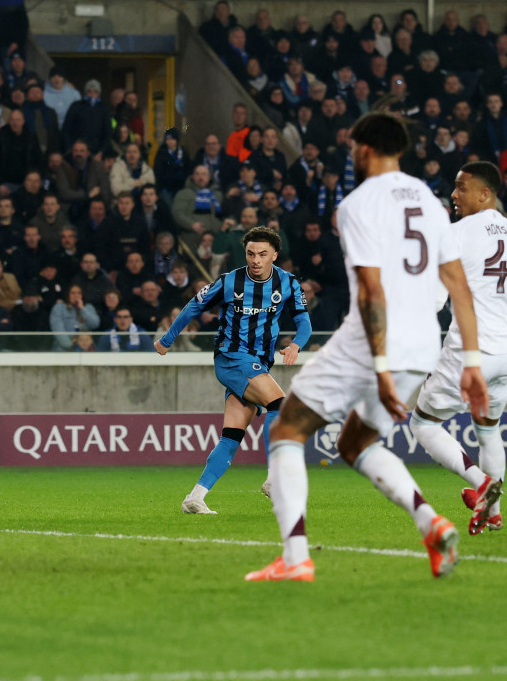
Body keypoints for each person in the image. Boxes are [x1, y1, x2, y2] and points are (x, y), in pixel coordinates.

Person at [247, 113, 488, 583]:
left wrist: (378, 363)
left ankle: (295, 558)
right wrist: (472, 362)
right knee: (356, 443)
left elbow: (371, 292)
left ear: (364, 147)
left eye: (353, 145)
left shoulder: (357, 204)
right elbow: (459, 285)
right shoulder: (430, 201)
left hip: (373, 342)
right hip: (422, 347)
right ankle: (431, 523)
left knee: (287, 432)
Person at [407, 163, 507, 534]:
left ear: (484, 194)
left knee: (423, 423)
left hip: (469, 352)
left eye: (461, 188)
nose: (453, 195)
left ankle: (483, 484)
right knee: (488, 431)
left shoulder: (453, 235)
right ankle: (495, 512)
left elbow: (437, 301)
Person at [155, 226, 312, 514]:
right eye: (251, 253)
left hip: (258, 363)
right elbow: (193, 307)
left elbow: (305, 322)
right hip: (232, 358)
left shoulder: (288, 283)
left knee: (232, 435)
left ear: (274, 255)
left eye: (262, 254)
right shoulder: (229, 282)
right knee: (279, 403)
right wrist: (167, 340)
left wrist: (296, 345)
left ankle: (195, 496)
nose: (255, 259)